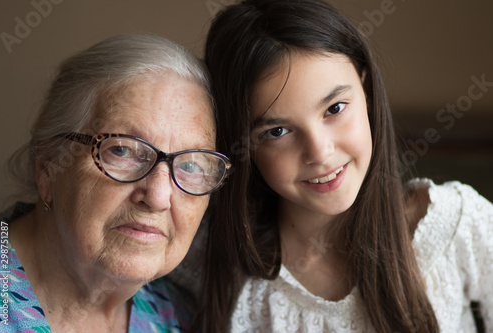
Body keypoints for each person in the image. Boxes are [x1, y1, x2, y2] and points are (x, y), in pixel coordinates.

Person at [195, 0, 493, 332]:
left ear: (365, 90)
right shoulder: (211, 257)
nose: (320, 153)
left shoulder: (458, 226)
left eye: (335, 108)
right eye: (277, 132)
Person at [0, 34, 231, 332]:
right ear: (48, 166)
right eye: (122, 150)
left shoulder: (180, 319)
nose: (157, 197)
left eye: (192, 165)